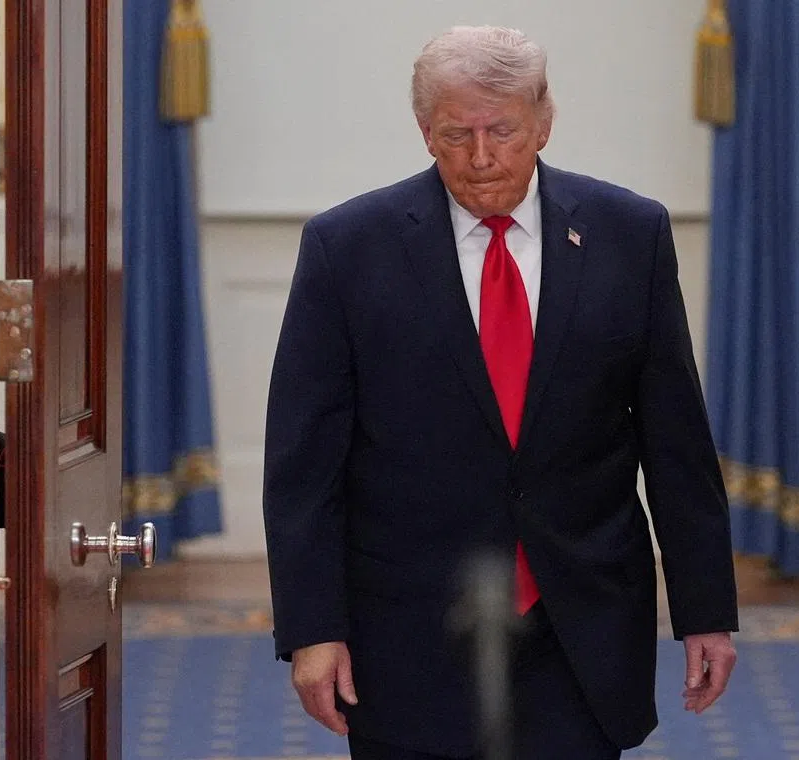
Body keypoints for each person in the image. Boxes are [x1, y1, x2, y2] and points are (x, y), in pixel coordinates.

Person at [262, 24, 739, 760]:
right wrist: (312, 629)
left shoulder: (628, 234)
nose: (481, 157)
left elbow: (675, 440)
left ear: (544, 121)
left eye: (503, 130)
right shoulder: (348, 248)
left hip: (578, 615)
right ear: (424, 132)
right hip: (409, 623)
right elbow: (304, 465)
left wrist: (706, 610)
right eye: (456, 134)